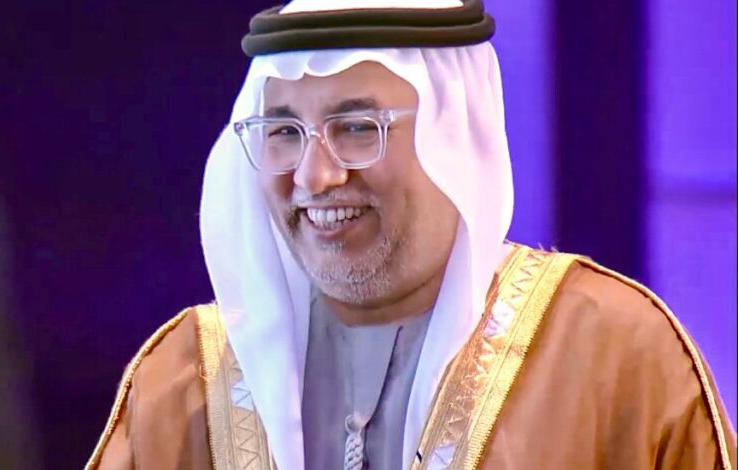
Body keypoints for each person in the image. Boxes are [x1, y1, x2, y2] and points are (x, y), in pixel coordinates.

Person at [86, 1, 736, 469]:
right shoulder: (183, 380)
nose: (315, 176)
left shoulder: (614, 355)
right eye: (283, 133)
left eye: (357, 129)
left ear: (455, 139)